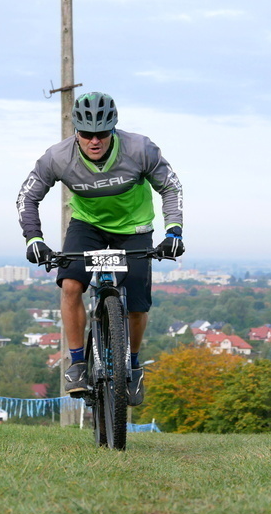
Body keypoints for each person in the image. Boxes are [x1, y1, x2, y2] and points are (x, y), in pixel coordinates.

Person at [16, 91, 184, 405]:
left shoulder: (139, 149)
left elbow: (170, 186)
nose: (95, 141)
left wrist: (174, 231)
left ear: (113, 130)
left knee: (136, 302)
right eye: (87, 134)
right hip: (87, 226)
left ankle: (132, 365)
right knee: (70, 285)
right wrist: (34, 238)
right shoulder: (59, 156)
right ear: (76, 132)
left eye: (103, 134)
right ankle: (78, 362)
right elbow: (28, 196)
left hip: (133, 228)